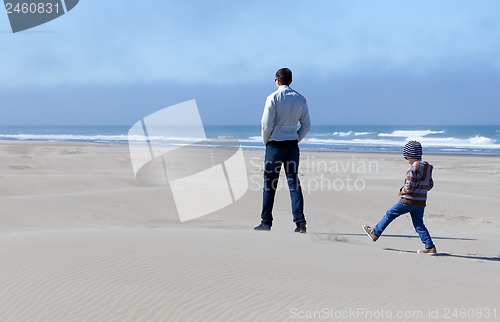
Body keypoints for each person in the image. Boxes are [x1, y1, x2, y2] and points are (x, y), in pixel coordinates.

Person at [254, 68, 311, 233]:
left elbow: (266, 125)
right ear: (290, 81)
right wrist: (296, 138)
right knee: (294, 184)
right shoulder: (301, 99)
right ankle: (300, 223)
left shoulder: (273, 97)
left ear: (277, 80)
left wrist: (267, 141)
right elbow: (306, 126)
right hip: (292, 146)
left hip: (275, 145)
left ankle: (266, 222)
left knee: (269, 185)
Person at [362, 141, 437, 253]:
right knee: (419, 224)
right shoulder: (427, 169)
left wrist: (402, 191)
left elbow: (409, 187)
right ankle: (430, 246)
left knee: (390, 213)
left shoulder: (412, 169)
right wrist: (420, 191)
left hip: (408, 201)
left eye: (406, 158)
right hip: (421, 202)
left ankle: (375, 233)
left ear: (409, 156)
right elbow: (430, 185)